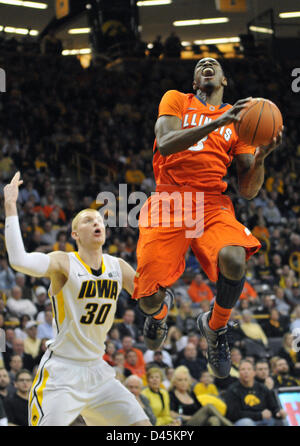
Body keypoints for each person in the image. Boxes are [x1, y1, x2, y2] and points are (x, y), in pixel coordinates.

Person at [132, 57, 282, 379]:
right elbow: (168, 143)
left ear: (224, 80)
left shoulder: (239, 123)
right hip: (170, 199)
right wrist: (217, 120)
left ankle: (215, 327)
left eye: (213, 63)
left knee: (234, 256)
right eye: (200, 65)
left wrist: (261, 158)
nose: (207, 64)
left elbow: (248, 190)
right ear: (195, 82)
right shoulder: (176, 100)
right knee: (146, 298)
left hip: (212, 203)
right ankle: (158, 313)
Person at [4, 172, 151, 426]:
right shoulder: (64, 262)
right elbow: (19, 260)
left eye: (99, 220)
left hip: (98, 372)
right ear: (75, 234)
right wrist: (9, 206)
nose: (97, 222)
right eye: (87, 220)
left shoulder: (118, 266)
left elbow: (151, 298)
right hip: (61, 372)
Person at [224, 360, 286, 426]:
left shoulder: (262, 388)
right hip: (243, 421)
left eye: (249, 369)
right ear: (239, 373)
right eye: (243, 369)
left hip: (264, 420)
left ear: (254, 372)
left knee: (283, 421)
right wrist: (259, 415)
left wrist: (278, 413)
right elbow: (233, 414)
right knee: (247, 423)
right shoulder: (233, 390)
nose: (246, 372)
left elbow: (273, 407)